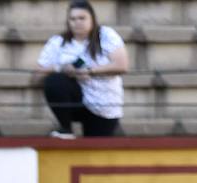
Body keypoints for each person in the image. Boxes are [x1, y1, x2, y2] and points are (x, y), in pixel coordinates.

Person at [32, 0, 127, 138]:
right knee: (54, 80)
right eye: (73, 19)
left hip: (104, 106)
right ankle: (66, 129)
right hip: (76, 102)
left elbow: (122, 65)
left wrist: (89, 71)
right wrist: (61, 68)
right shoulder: (58, 42)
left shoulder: (106, 35)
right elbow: (36, 77)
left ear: (92, 19)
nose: (77, 22)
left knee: (95, 150)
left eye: (82, 18)